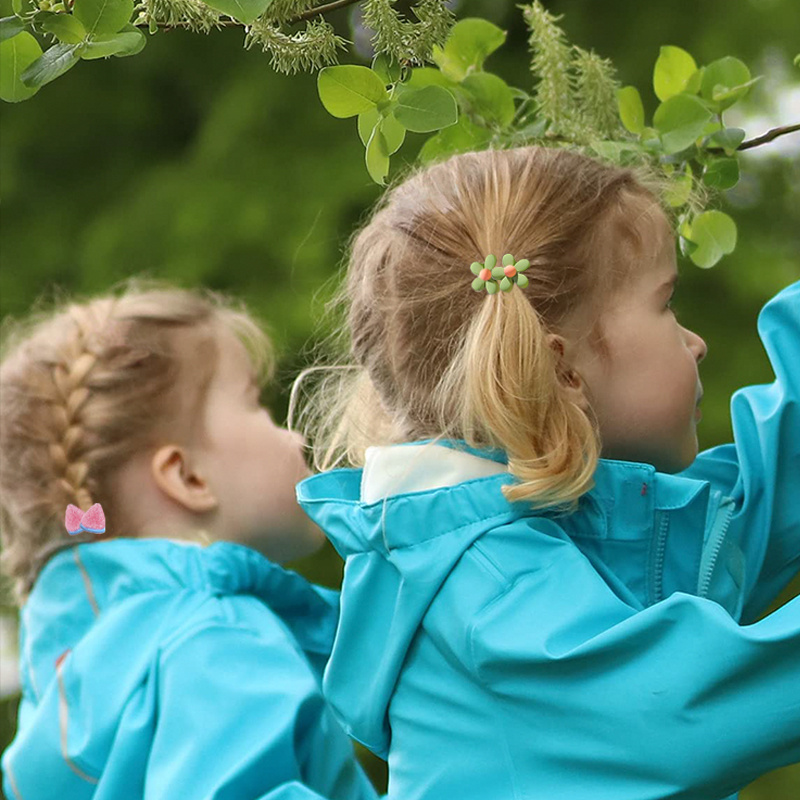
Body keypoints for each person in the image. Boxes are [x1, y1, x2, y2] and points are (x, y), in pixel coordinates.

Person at [292, 146, 800, 800]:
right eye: (667, 303)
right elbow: (680, 708)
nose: (694, 341)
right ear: (563, 369)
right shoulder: (488, 594)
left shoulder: (569, 527)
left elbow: (764, 493)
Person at [0, 281, 379, 800]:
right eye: (256, 402)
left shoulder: (68, 684)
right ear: (187, 477)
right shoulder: (219, 639)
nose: (293, 435)